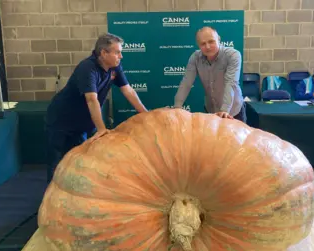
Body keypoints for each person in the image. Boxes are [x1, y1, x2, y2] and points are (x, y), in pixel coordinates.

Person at [45, 33, 148, 182]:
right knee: (56, 162)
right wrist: (101, 129)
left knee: (81, 162)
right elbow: (92, 100)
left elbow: (128, 91)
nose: (121, 56)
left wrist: (146, 115)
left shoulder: (115, 67)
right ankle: (50, 200)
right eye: (117, 52)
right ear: (104, 53)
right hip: (61, 120)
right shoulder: (87, 68)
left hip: (83, 121)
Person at [173, 26, 246, 122]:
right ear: (198, 45)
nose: (207, 46)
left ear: (218, 39)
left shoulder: (233, 55)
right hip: (211, 111)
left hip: (233, 111)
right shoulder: (195, 58)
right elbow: (186, 82)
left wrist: (224, 110)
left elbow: (231, 83)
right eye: (203, 43)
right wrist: (177, 107)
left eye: (211, 41)